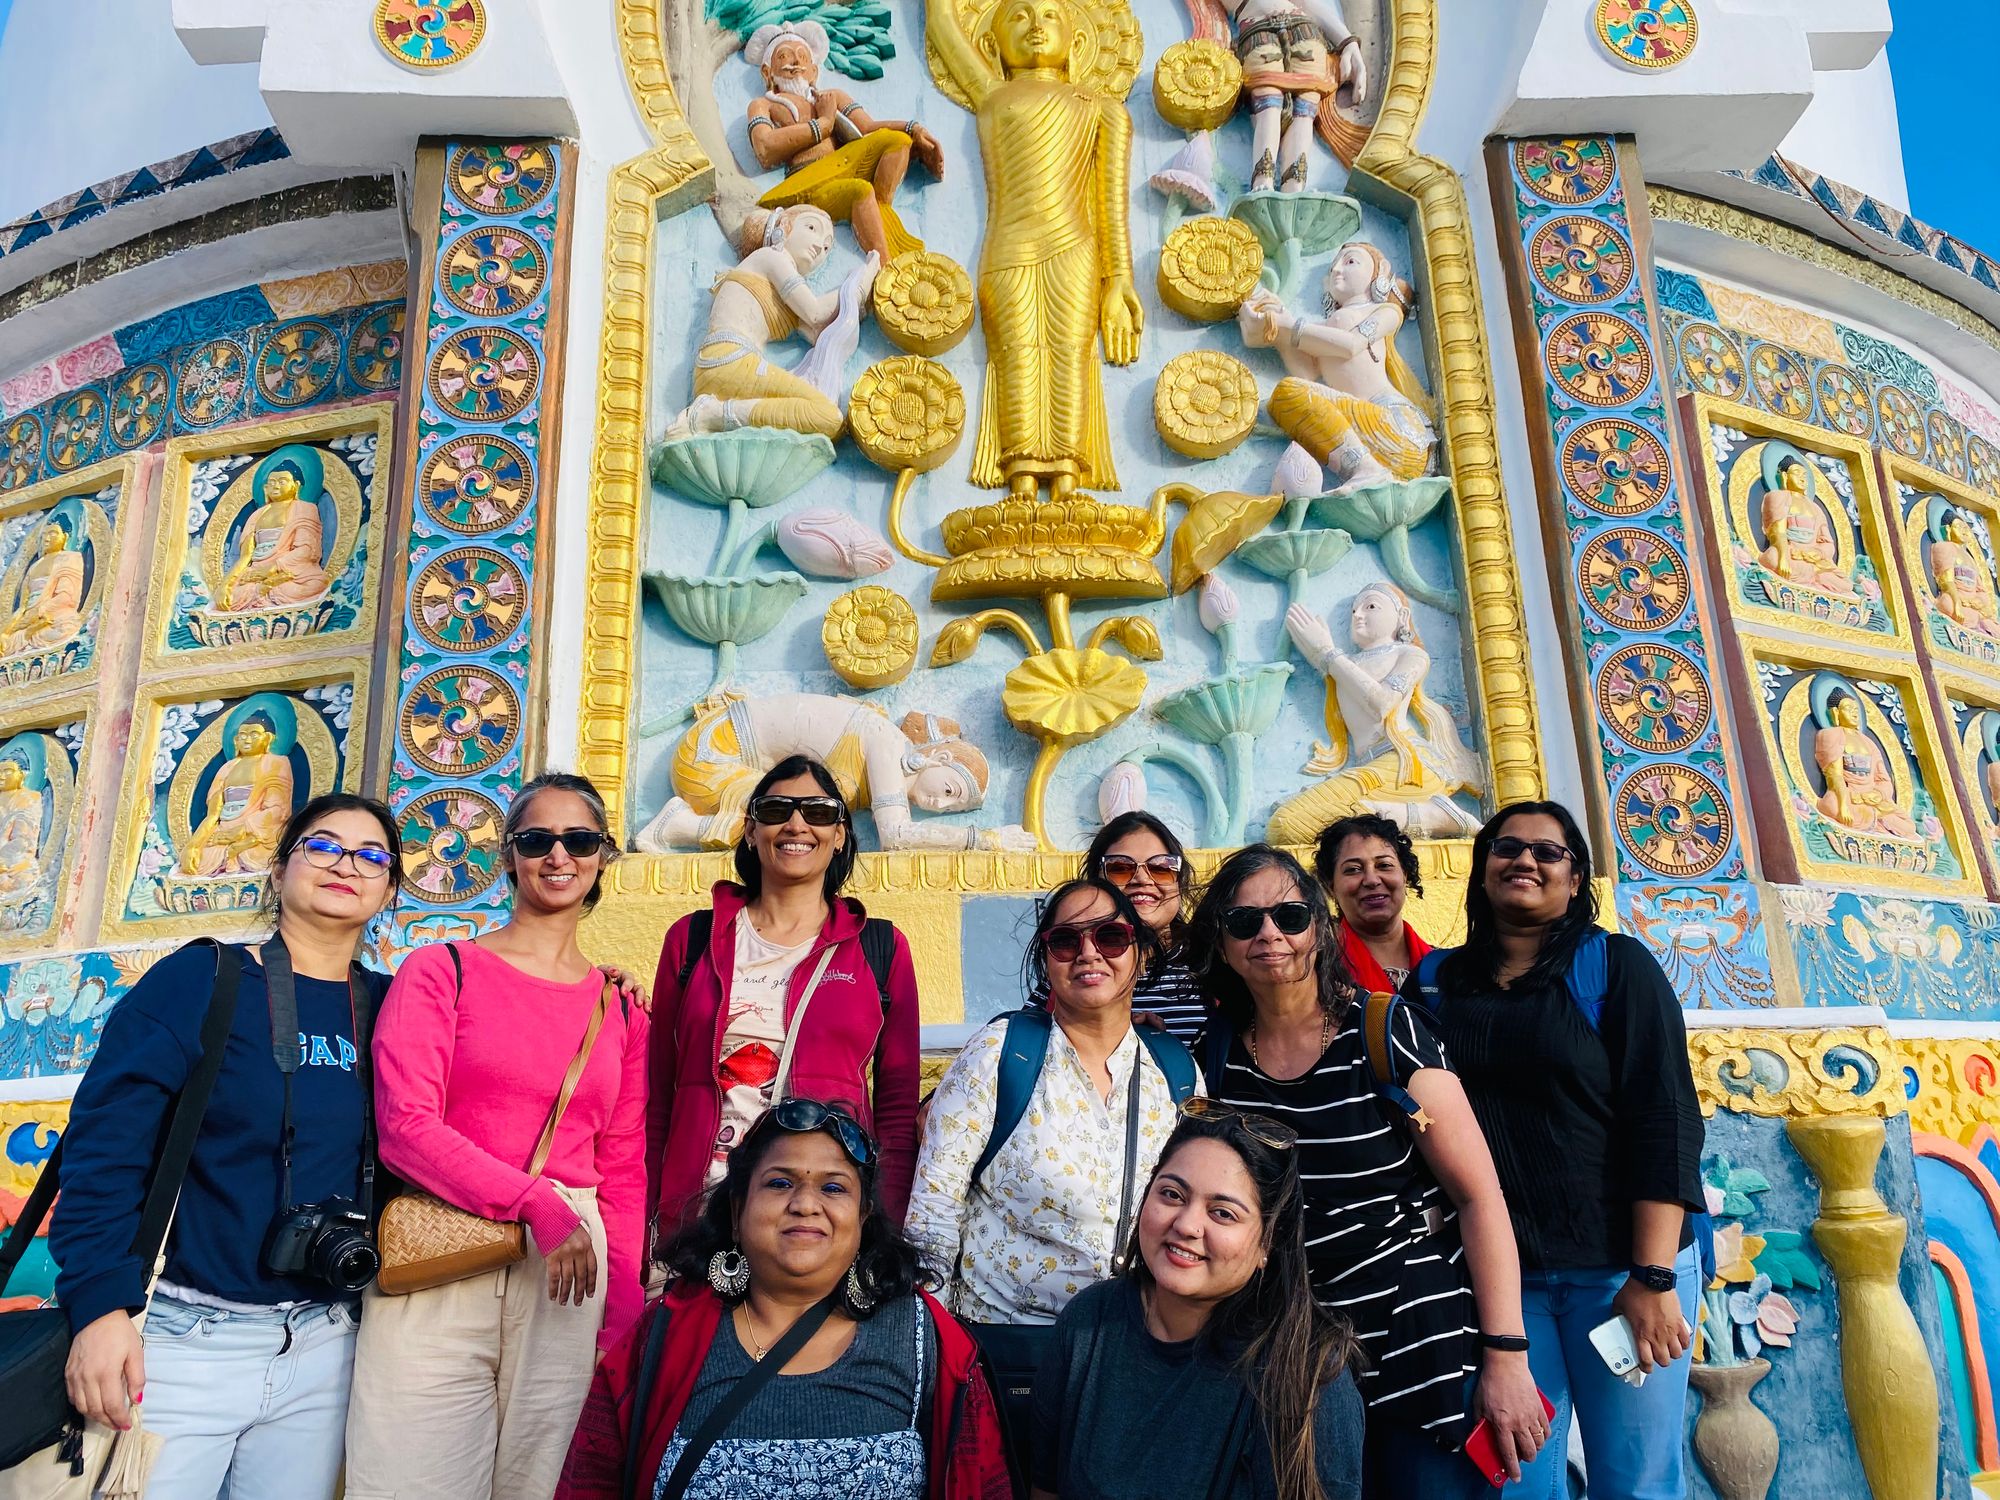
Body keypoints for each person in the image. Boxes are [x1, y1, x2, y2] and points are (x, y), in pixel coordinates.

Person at [50, 793, 402, 1500]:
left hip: (327, 1343)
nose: (347, 866)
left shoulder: (398, 1005)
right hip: (182, 1342)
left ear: (390, 888)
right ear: (278, 870)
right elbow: (104, 1150)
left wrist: (608, 993)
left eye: (372, 857)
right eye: (323, 846)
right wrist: (97, 1309)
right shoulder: (204, 981)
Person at [1187, 845, 1545, 1496]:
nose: (1269, 934)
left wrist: (1507, 1355)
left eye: (1290, 916)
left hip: (1422, 1342)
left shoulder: (1381, 1029)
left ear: (1320, 930)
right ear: (1225, 942)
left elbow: (1477, 1196)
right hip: (1296, 1361)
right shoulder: (1215, 1063)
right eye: (1245, 922)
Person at [345, 772, 650, 1500]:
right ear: (508, 856)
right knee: (407, 1479)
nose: (558, 856)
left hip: (571, 1275)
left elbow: (624, 1166)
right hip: (442, 1245)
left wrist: (626, 1308)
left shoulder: (622, 1009)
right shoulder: (441, 970)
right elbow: (406, 1130)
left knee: (543, 1483)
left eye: (579, 840)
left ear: (603, 856)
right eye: (536, 840)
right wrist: (535, 1202)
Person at [1412, 802, 1706, 1500]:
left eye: (1548, 852)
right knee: (1515, 1483)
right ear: (1482, 873)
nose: (1525, 861)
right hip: (1504, 1287)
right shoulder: (1436, 988)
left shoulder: (1613, 967)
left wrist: (1655, 1276)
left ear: (1575, 879)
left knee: (1634, 1483)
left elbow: (1663, 1117)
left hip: (1622, 1275)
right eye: (1506, 847)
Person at [554, 1100, 1013, 1500]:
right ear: (737, 1211)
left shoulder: (929, 1345)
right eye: (779, 1183)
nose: (806, 1204)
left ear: (863, 1219)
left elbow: (983, 1483)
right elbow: (588, 1484)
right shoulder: (661, 1338)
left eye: (834, 1188)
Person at [648, 754, 923, 1242]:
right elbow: (657, 1097)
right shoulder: (693, 939)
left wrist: (886, 1223)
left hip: (818, 1216)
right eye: (776, 810)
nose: (797, 823)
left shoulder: (880, 949)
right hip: (702, 1208)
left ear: (840, 834)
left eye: (818, 812)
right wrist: (646, 1219)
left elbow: (897, 1111)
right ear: (751, 831)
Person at [1031, 1101, 1364, 1499]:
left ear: (1268, 1242)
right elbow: (1044, 1487)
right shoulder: (1089, 1322)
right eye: (1172, 1194)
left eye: (1222, 1213)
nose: (1187, 1225)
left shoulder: (1306, 1374)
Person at [906, 877, 1197, 1327]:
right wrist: (932, 1342)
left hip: (1136, 1351)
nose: (1088, 952)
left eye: (1111, 936)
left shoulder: (1177, 1074)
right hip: (1008, 1353)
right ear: (1046, 962)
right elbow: (933, 1213)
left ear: (1139, 954)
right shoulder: (1000, 1054)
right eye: (1064, 941)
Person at [741, 20, 944, 263]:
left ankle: (880, 207)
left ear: (814, 70)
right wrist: (824, 124)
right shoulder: (764, 105)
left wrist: (914, 129)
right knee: (860, 190)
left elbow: (867, 128)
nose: (795, 63)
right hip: (810, 182)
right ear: (767, 72)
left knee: (897, 140)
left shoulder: (832, 97)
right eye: (784, 56)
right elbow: (765, 148)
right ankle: (886, 267)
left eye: (802, 56)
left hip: (847, 163)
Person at [1078, 810, 1205, 1041]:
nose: (1142, 879)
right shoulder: (1076, 964)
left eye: (1161, 868)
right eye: (1120, 868)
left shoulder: (1210, 964)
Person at [1314, 813, 1430, 992]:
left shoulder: (1445, 969)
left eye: (1384, 865)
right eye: (1353, 869)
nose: (1371, 880)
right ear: (1331, 887)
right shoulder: (1318, 973)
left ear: (1404, 875)